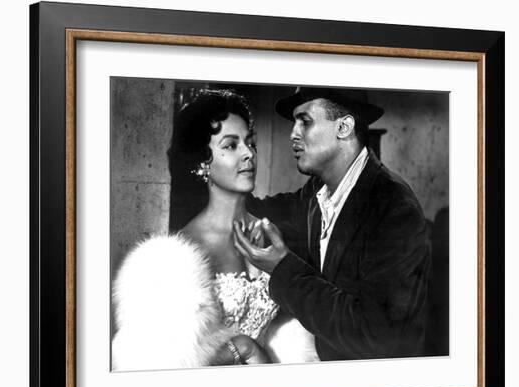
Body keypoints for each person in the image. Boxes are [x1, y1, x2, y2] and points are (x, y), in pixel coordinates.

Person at [112, 89, 318, 371]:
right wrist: (245, 348)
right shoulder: (178, 255)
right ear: (202, 163)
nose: (248, 154)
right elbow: (164, 366)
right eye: (231, 145)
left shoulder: (274, 237)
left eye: (251, 143)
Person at [236, 86, 431, 361]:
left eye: (305, 121)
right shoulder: (319, 190)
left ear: (344, 127)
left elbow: (375, 335)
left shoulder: (394, 208)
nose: (292, 134)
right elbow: (270, 207)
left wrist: (283, 269)